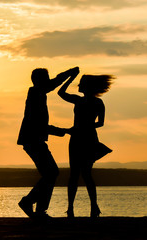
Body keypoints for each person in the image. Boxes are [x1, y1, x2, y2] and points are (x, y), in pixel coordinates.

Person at [17, 66, 79, 219]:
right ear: (39, 80)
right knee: (51, 173)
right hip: (32, 139)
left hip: (34, 139)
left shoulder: (39, 93)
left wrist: (69, 73)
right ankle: (30, 203)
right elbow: (39, 125)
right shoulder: (35, 93)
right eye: (46, 79)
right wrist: (63, 131)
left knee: (50, 173)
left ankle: (38, 209)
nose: (48, 82)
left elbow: (53, 82)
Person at [58, 71, 113, 218]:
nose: (79, 85)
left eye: (81, 83)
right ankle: (74, 208)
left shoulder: (91, 102)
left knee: (82, 174)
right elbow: (60, 93)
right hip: (80, 138)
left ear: (87, 86)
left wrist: (83, 127)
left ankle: (90, 207)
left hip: (83, 138)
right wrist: (72, 78)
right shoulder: (83, 101)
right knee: (78, 174)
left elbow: (100, 123)